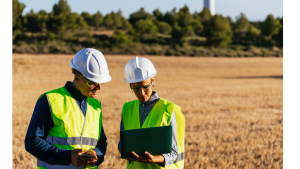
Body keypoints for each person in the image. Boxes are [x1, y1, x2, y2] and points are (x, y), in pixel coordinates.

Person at [25, 48, 111, 169]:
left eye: (101, 82)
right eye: (93, 82)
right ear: (77, 78)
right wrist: (67, 156)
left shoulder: (96, 106)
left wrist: (96, 153)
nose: (99, 87)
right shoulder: (50, 100)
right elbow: (32, 141)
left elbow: (101, 142)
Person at [118, 56, 185, 169]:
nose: (142, 93)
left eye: (146, 87)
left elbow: (174, 153)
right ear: (130, 85)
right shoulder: (127, 109)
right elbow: (122, 145)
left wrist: (155, 159)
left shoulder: (168, 109)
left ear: (152, 81)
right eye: (136, 88)